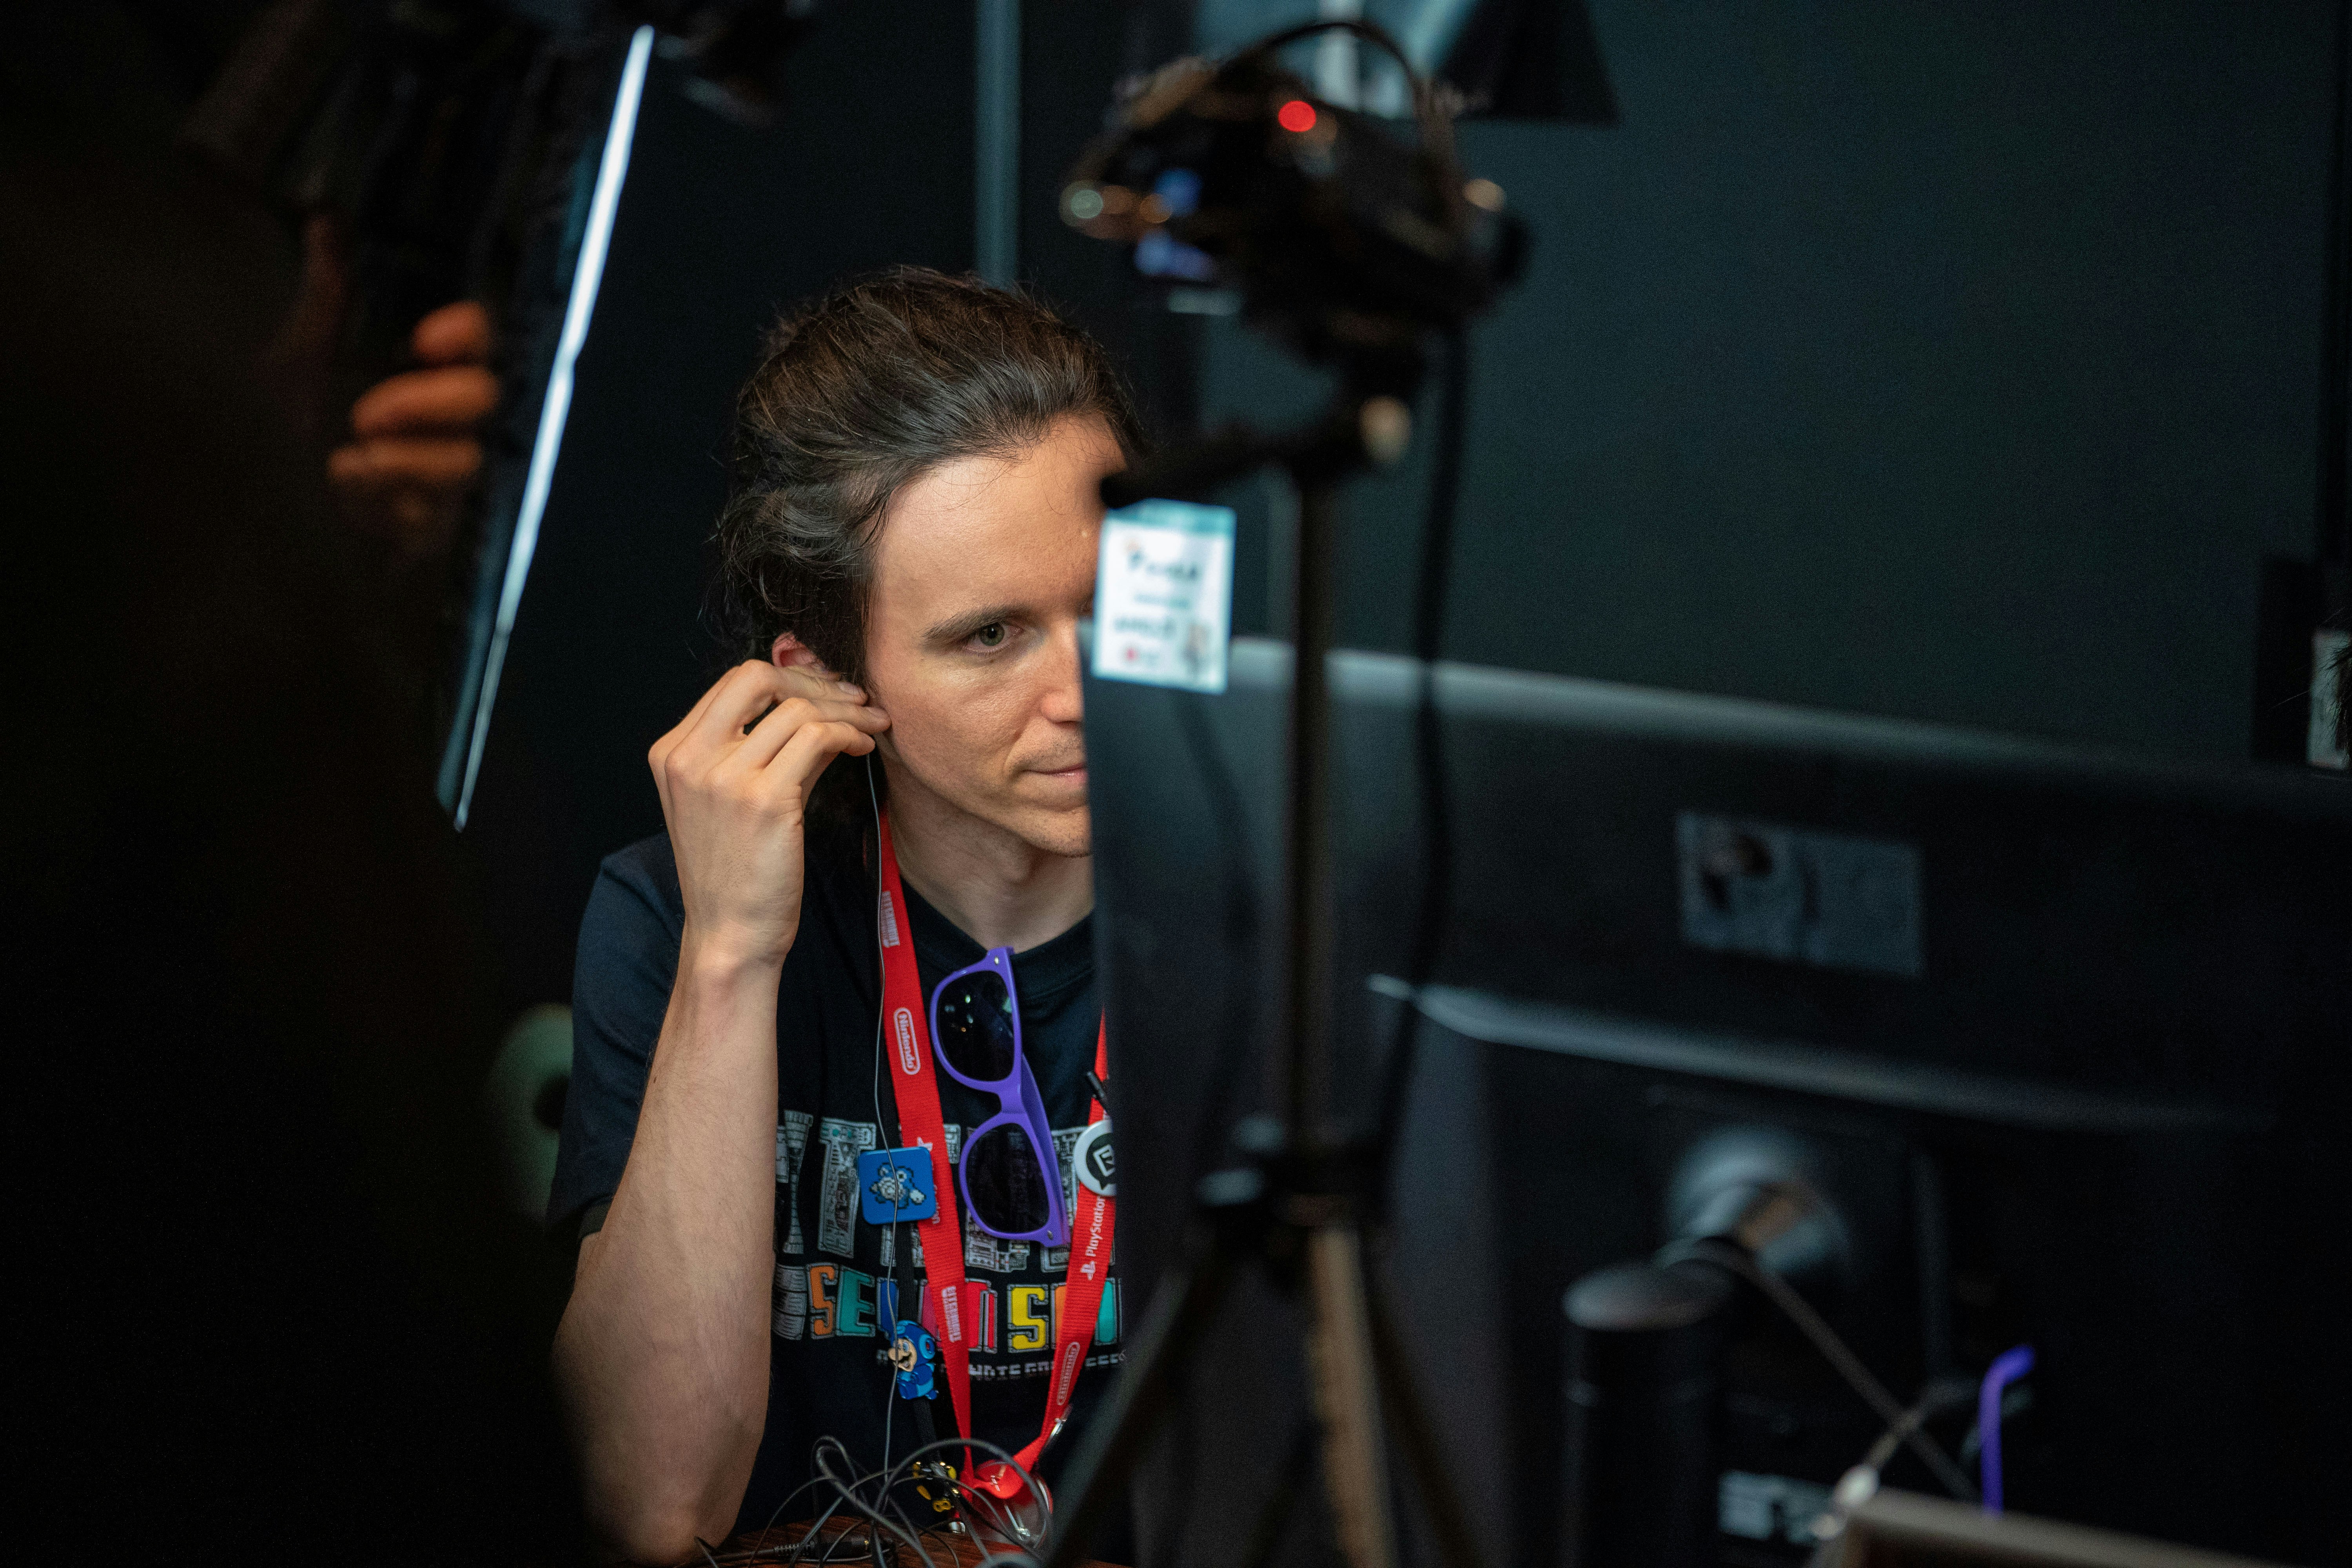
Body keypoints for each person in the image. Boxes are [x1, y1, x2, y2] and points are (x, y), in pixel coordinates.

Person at [544, 268, 1143, 1561]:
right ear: (828, 680)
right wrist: (730, 956)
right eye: (991, 637)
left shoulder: (1284, 917)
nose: (1085, 689)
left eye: (1106, 605)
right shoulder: (671, 917)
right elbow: (652, 1504)